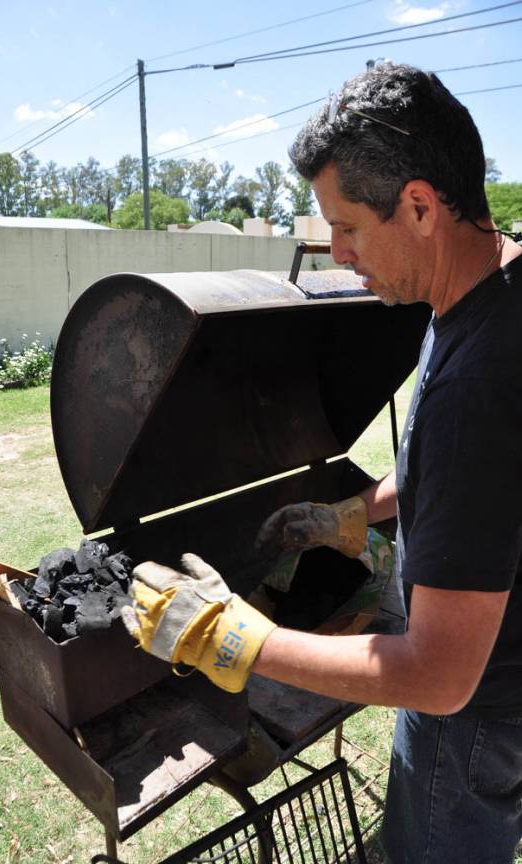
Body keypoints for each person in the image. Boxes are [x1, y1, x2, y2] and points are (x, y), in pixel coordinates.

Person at [122, 63, 522, 863]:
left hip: (480, 718)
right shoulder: (489, 290)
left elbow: (440, 676)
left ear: (418, 205)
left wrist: (232, 637)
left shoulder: (478, 381)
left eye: (347, 227)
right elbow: (484, 474)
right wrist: (356, 512)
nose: (336, 252)